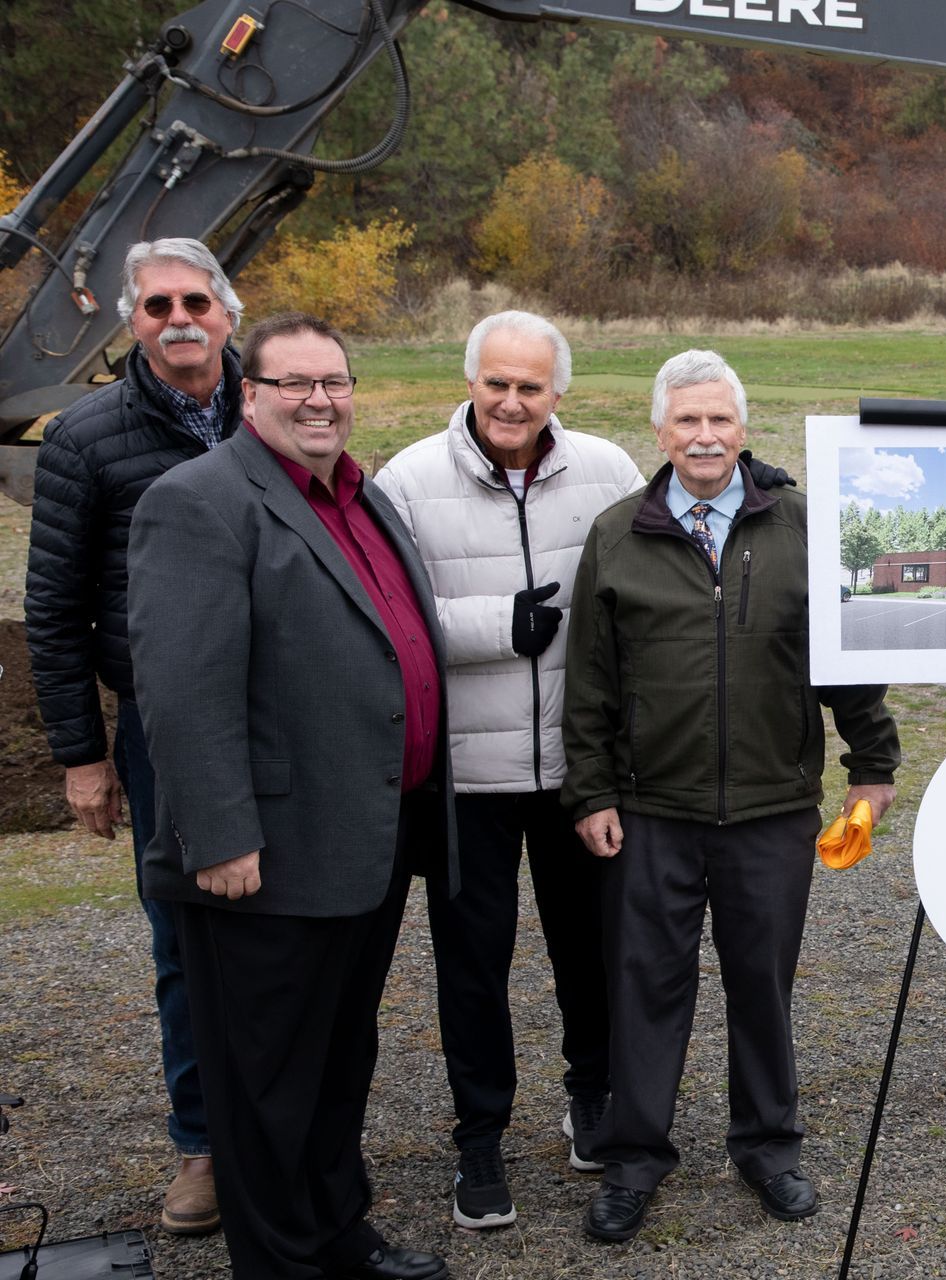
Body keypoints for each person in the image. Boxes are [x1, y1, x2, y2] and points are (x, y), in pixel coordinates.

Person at [128, 313, 458, 1280]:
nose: (319, 400)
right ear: (250, 395)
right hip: (264, 856)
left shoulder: (359, 494)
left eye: (334, 382)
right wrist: (219, 835)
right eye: (294, 384)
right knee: (266, 1082)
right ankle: (281, 1263)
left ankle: (338, 1233)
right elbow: (182, 690)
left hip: (360, 837)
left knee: (336, 1061)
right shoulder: (198, 501)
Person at [562, 348, 901, 1242]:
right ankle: (635, 1161)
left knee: (763, 987)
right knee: (646, 991)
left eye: (719, 419)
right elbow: (589, 682)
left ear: (742, 428)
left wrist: (873, 766)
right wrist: (591, 793)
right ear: (659, 430)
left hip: (771, 809)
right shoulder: (617, 535)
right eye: (687, 420)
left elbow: (847, 658)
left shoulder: (802, 525)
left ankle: (768, 1148)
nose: (705, 435)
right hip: (650, 813)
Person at [371, 311, 640, 1229]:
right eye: (497, 383)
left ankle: (592, 1096)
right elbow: (383, 615)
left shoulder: (607, 470)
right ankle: (480, 1138)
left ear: (558, 391)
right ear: (471, 382)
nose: (513, 402)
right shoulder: (409, 480)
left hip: (576, 770)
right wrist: (497, 627)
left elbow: (658, 570)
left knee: (588, 949)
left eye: (531, 386)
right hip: (464, 779)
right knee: (472, 966)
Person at [24, 236, 243, 1235]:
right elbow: (54, 607)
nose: (179, 319)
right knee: (185, 937)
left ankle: (291, 1126)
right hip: (165, 726)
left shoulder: (279, 405)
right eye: (157, 306)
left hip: (284, 713)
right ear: (132, 322)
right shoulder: (85, 438)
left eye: (195, 300)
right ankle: (203, 1141)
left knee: (298, 923)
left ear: (228, 312)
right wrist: (82, 753)